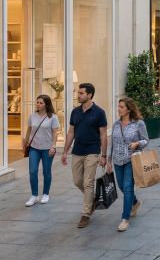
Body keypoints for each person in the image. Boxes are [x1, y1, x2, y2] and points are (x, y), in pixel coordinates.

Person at [60, 83, 108, 228]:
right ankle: (92, 198)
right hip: (77, 151)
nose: (78, 95)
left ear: (89, 95)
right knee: (77, 181)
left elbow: (104, 135)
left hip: (92, 152)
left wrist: (104, 155)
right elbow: (71, 132)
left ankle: (85, 214)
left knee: (88, 183)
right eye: (78, 93)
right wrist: (64, 151)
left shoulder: (99, 112)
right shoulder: (75, 112)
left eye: (81, 93)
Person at [107, 97, 149, 232]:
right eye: (118, 107)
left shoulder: (139, 124)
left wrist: (137, 144)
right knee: (121, 186)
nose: (118, 109)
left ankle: (125, 219)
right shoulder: (115, 124)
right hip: (117, 160)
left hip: (132, 159)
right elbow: (112, 143)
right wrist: (108, 159)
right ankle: (135, 202)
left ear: (129, 109)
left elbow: (145, 140)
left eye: (121, 107)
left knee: (127, 188)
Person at [24, 95, 60, 207]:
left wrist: (53, 146)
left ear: (46, 104)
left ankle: (45, 194)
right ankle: (34, 195)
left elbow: (55, 132)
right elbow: (29, 131)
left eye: (40, 103)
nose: (38, 104)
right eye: (37, 102)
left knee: (46, 172)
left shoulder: (53, 117)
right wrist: (25, 143)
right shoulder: (32, 116)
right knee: (33, 171)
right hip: (34, 148)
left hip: (47, 148)